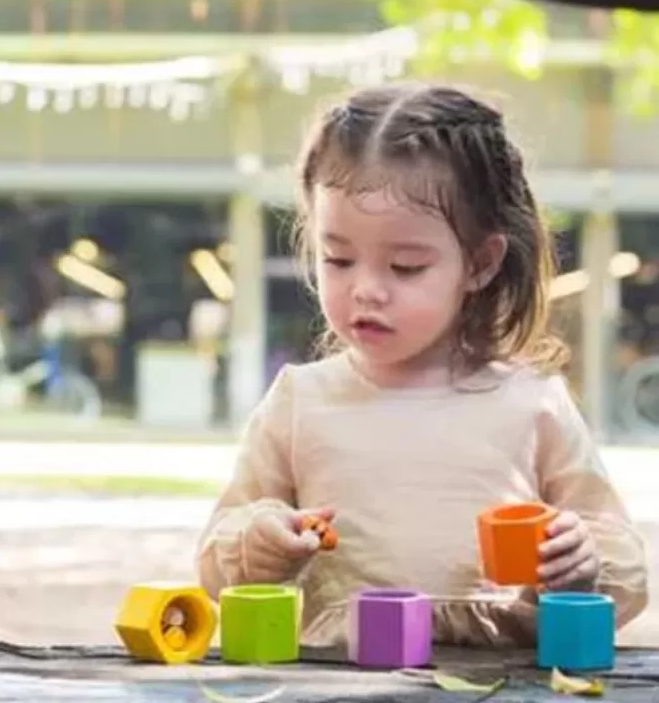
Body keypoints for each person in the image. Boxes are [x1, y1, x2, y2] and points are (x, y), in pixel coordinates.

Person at [197, 82, 648, 647]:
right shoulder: (300, 401)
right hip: (342, 684)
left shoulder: (531, 403)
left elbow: (626, 569)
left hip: (504, 682)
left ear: (480, 264)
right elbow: (216, 560)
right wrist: (257, 544)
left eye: (405, 266)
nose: (366, 290)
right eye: (337, 259)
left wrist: (580, 563)